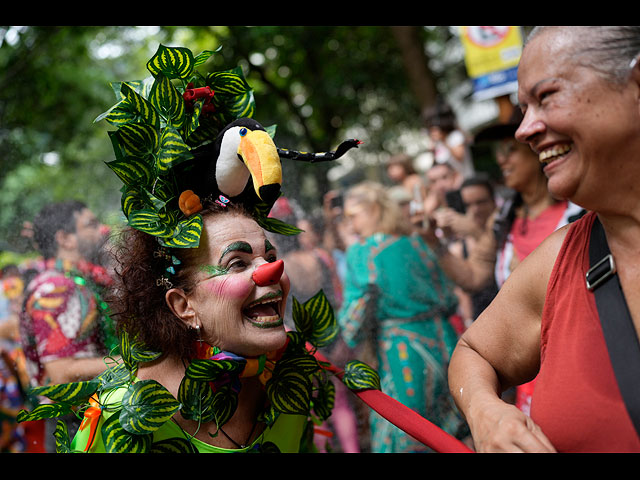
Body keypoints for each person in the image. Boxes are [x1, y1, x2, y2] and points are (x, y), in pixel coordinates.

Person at [447, 26, 640, 453]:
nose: (523, 130)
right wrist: (486, 412)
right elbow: (473, 352)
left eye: (547, 96)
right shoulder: (558, 259)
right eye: (523, 108)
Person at [337, 181, 468, 453]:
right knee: (450, 432)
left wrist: (342, 338)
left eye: (354, 216)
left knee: (407, 432)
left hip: (403, 352)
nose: (350, 225)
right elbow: (449, 298)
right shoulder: (418, 242)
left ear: (374, 210)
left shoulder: (364, 251)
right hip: (444, 343)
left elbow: (355, 315)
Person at [17, 201, 115, 452]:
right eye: (90, 225)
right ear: (65, 239)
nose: (102, 230)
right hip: (75, 424)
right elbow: (62, 372)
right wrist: (135, 363)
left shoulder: (77, 280)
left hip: (86, 416)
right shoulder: (56, 288)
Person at [423, 99, 475, 181]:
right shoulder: (437, 142)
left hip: (465, 179)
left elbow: (459, 157)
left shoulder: (455, 136)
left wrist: (444, 141)